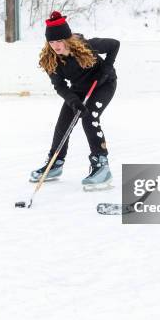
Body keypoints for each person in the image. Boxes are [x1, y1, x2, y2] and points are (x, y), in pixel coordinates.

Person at [30, 11, 120, 191]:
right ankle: (55, 165)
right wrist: (73, 101)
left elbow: (114, 45)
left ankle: (101, 165)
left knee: (89, 118)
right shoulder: (50, 59)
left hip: (103, 84)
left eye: (59, 41)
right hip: (78, 90)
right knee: (63, 123)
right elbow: (60, 86)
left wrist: (107, 67)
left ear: (67, 39)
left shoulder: (86, 46)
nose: (55, 46)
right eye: (51, 42)